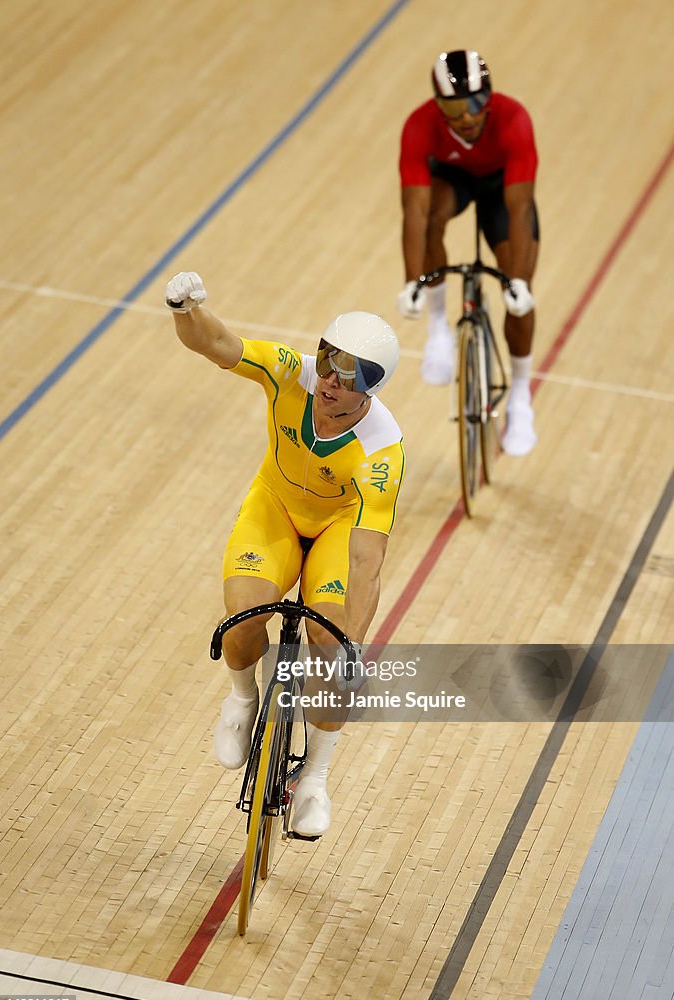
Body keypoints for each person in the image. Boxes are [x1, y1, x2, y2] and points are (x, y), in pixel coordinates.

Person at [166, 272, 405, 836]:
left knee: (329, 651)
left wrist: (353, 641)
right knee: (240, 622)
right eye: (327, 360)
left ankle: (317, 779)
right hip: (274, 509)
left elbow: (368, 561)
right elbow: (218, 345)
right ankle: (242, 699)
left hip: (337, 532)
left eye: (349, 374)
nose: (329, 379)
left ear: (372, 388)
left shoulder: (382, 449)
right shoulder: (288, 373)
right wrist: (184, 310)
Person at [397, 49, 540, 456]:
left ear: (490, 98)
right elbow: (415, 209)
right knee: (430, 221)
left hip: (502, 188)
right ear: (438, 106)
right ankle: (439, 328)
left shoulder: (514, 120)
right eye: (454, 107)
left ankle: (520, 397)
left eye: (476, 103)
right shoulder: (419, 125)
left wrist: (520, 283)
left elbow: (521, 208)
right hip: (452, 179)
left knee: (519, 299)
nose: (467, 116)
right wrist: (412, 283)